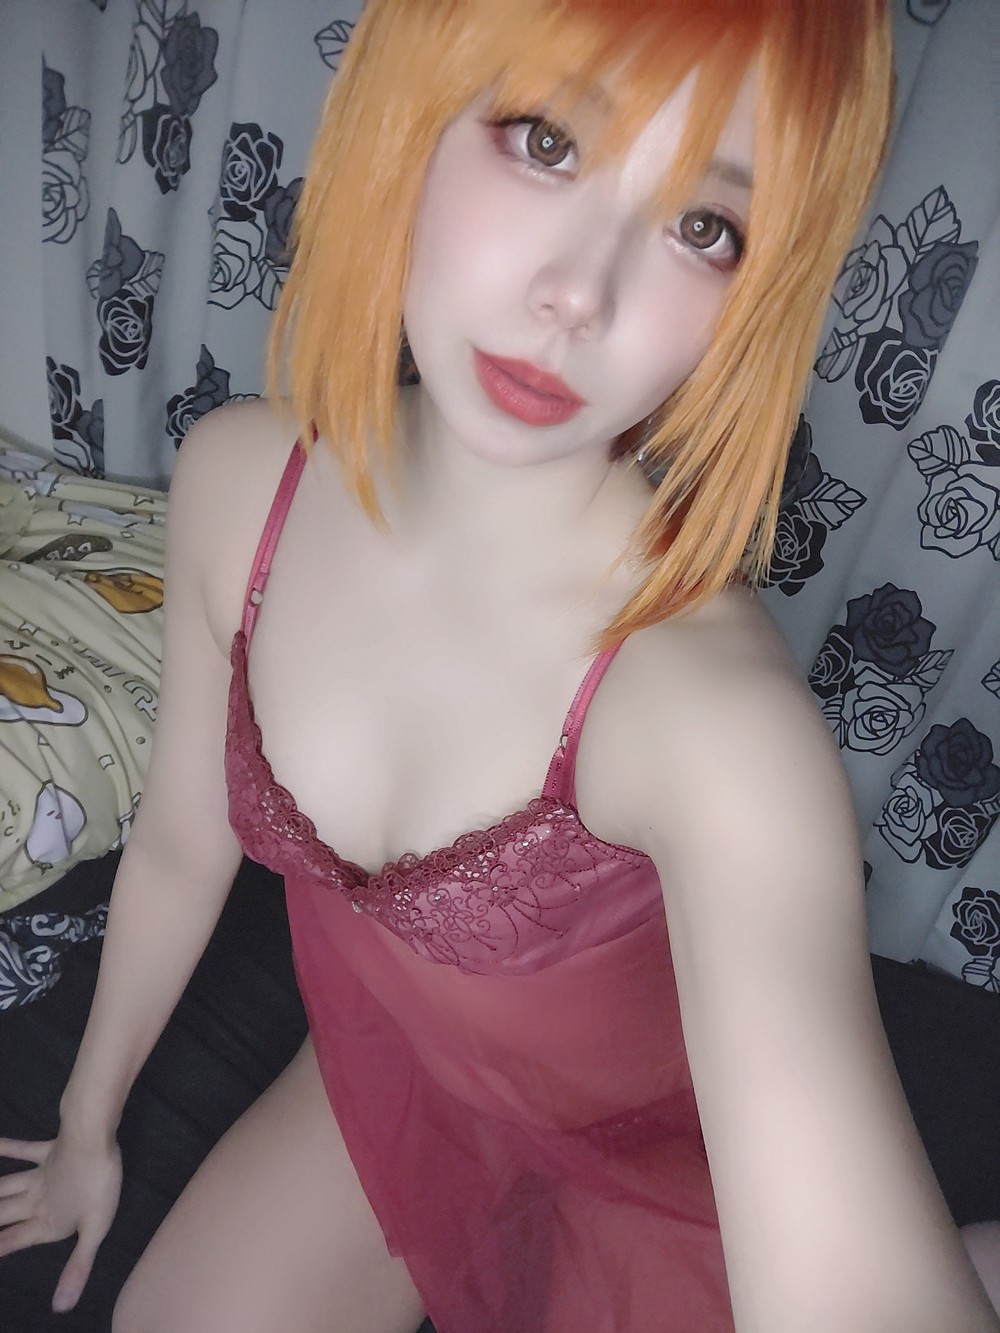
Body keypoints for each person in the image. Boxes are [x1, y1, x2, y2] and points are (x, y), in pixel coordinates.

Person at [0, 1, 997, 1329]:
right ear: (411, 107)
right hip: (401, 1065)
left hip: (659, 1148)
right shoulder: (241, 481)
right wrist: (86, 1126)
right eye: (546, 141)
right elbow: (184, 841)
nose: (579, 295)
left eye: (706, 228)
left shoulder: (715, 728)